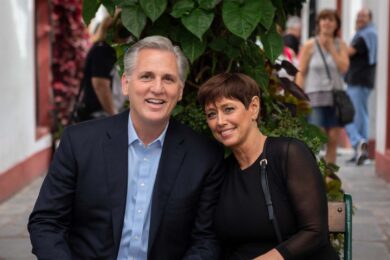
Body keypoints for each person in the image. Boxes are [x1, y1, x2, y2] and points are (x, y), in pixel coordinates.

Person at [28, 36, 225, 259]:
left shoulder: (204, 156)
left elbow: (206, 240)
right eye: (146, 76)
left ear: (180, 91)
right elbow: (46, 222)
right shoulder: (79, 142)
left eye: (168, 79)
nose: (157, 88)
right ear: (125, 84)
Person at [197, 73, 339, 260]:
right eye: (212, 114)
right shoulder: (221, 171)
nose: (220, 121)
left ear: (253, 108)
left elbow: (315, 233)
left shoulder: (288, 154)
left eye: (228, 109)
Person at [296, 9, 349, 164]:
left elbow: (344, 67)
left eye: (330, 19)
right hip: (314, 98)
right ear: (318, 23)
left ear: (336, 24)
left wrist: (332, 48)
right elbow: (301, 72)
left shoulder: (341, 45)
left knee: (333, 140)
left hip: (335, 99)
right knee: (315, 139)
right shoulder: (309, 45)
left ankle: (329, 179)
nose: (326, 22)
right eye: (323, 19)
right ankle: (314, 176)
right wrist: (299, 97)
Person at [76, 16, 129, 121]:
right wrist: (114, 117)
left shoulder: (111, 50)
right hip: (98, 116)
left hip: (105, 115)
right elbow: (100, 85)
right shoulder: (103, 50)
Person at [344, 8, 377, 165]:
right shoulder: (366, 34)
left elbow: (349, 52)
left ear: (370, 18)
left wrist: (334, 45)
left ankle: (358, 143)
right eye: (358, 16)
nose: (359, 18)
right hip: (361, 81)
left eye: (363, 16)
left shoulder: (365, 36)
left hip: (359, 80)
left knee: (348, 116)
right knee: (361, 117)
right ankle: (361, 153)